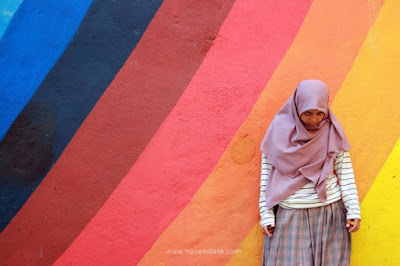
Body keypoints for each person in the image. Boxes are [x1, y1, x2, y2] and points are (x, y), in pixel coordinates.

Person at [258, 79, 361, 266]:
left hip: (329, 214)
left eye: (319, 113)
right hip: (291, 215)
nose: (314, 119)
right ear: (297, 106)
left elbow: (345, 172)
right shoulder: (278, 132)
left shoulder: (332, 132)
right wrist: (266, 215)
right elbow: (266, 176)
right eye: (307, 113)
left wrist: (353, 209)